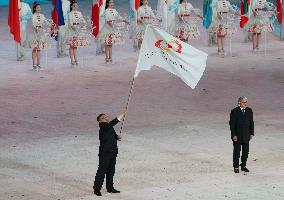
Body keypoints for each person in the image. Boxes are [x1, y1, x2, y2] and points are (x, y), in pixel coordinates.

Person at [93, 112, 126, 196]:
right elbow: (112, 123)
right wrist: (120, 117)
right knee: (102, 171)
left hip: (113, 152)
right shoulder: (103, 126)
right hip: (105, 153)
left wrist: (117, 137)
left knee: (111, 171)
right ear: (100, 121)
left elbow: (112, 136)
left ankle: (110, 188)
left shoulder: (109, 127)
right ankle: (97, 189)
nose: (105, 118)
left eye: (106, 117)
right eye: (103, 118)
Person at [229, 96, 254, 173]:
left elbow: (251, 123)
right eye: (244, 102)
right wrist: (234, 135)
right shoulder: (234, 111)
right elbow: (232, 125)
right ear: (239, 102)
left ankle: (243, 166)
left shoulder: (249, 110)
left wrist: (251, 133)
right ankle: (236, 167)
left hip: (246, 135)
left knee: (245, 152)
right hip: (237, 136)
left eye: (246, 102)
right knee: (237, 152)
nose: (245, 103)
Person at [26, 2, 51, 71]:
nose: (39, 9)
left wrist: (50, 25)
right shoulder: (32, 16)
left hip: (40, 34)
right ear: (34, 8)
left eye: (40, 7)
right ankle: (34, 64)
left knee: (39, 49)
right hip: (34, 35)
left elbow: (45, 22)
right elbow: (33, 24)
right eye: (38, 8)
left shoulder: (42, 15)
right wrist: (36, 28)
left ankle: (39, 64)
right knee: (34, 49)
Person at [64, 1, 90, 66]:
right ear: (71, 6)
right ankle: (72, 60)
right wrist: (74, 28)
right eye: (74, 6)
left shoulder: (79, 13)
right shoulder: (69, 14)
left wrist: (85, 23)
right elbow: (69, 23)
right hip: (71, 31)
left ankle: (76, 60)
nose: (76, 7)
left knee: (75, 46)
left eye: (76, 5)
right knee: (71, 46)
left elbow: (82, 20)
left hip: (77, 30)